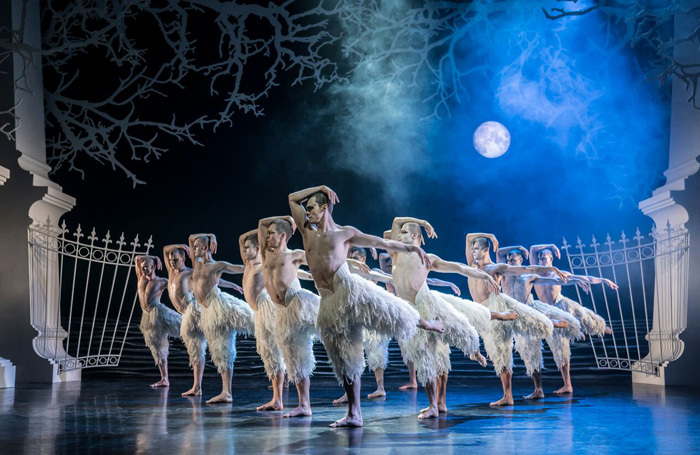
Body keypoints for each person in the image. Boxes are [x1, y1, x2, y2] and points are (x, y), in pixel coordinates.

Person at [289, 185, 445, 427]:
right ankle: (355, 414)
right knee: (345, 360)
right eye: (306, 209)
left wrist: (410, 247)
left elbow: (382, 243)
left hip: (350, 291)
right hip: (329, 303)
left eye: (311, 208)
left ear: (324, 208)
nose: (307, 212)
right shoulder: (307, 232)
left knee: (392, 311)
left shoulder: (344, 233)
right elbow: (292, 198)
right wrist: (320, 187)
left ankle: (426, 323)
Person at [389, 217, 501, 418]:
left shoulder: (427, 258)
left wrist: (484, 275)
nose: (398, 235)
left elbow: (459, 267)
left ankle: (472, 353)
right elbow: (396, 221)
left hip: (427, 303)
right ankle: (435, 404)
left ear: (415, 235)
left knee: (457, 331)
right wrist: (424, 222)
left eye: (404, 232)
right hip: (410, 311)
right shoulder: (395, 252)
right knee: (427, 359)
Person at [465, 233, 566, 406]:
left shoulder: (495, 268)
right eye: (472, 249)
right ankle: (477, 355)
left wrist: (553, 270)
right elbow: (468, 237)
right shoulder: (471, 266)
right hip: (480, 311)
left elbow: (527, 269)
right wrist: (489, 235)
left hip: (495, 308)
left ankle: (511, 395)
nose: (472, 252)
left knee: (507, 349)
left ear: (486, 250)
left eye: (476, 249)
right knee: (493, 347)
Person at [496, 245, 582, 399]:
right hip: (508, 316)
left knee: (533, 352)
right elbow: (499, 252)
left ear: (521, 260)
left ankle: (539, 389)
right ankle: (514, 394)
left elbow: (555, 279)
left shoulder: (528, 275)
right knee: (516, 353)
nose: (509, 262)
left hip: (526, 315)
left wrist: (579, 279)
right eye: (508, 259)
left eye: (513, 260)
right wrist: (516, 247)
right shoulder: (503, 273)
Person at [529, 244, 617, 394]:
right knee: (560, 348)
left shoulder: (559, 274)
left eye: (546, 258)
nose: (543, 261)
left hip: (561, 304)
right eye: (541, 258)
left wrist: (603, 280)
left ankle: (601, 328)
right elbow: (532, 249)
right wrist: (551, 245)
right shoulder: (535, 273)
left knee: (584, 315)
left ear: (551, 259)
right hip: (548, 312)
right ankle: (567, 385)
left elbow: (584, 277)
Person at [258, 216, 321, 417]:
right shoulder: (266, 255)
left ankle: (305, 404)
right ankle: (302, 404)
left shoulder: (294, 255)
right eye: (267, 234)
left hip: (299, 305)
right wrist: (285, 218)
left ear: (283, 235)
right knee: (294, 358)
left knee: (303, 353)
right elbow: (261, 223)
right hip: (282, 313)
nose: (267, 237)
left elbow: (322, 258)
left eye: (272, 234)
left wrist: (351, 263)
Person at [163, 244, 243, 396]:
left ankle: (225, 389)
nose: (172, 262)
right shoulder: (171, 272)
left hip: (195, 310)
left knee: (217, 343)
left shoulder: (190, 272)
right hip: (186, 315)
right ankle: (197, 387)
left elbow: (210, 280)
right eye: (171, 259)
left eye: (176, 259)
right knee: (195, 349)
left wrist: (231, 284)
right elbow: (165, 249)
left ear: (183, 258)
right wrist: (178, 246)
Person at [189, 233, 255, 404]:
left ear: (204, 248)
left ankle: (227, 392)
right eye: (194, 246)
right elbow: (191, 238)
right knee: (219, 350)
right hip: (206, 310)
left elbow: (240, 268)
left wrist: (257, 264)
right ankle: (225, 391)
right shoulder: (196, 264)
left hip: (218, 307)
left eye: (197, 246)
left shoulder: (216, 265)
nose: (193, 248)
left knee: (223, 348)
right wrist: (211, 236)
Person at [238, 231, 286, 410]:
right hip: (258, 312)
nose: (243, 251)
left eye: (247, 249)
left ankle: (278, 399)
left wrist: (262, 232)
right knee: (268, 353)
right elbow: (241, 238)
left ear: (257, 248)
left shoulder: (261, 262)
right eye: (243, 249)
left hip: (266, 308)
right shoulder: (248, 263)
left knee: (273, 352)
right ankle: (276, 398)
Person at [134, 255, 182, 388]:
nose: (143, 270)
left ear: (153, 267)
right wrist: (154, 257)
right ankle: (164, 379)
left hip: (159, 312)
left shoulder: (161, 281)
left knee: (184, 326)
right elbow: (137, 258)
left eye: (147, 268)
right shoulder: (140, 277)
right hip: (147, 316)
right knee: (157, 348)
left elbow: (178, 287)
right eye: (142, 268)